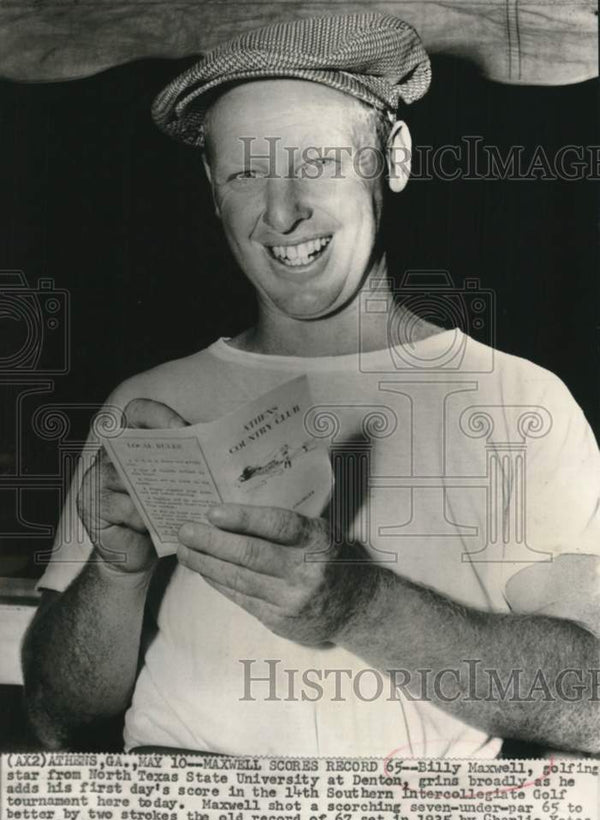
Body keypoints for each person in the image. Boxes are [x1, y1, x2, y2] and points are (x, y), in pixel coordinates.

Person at [23, 13, 600, 757]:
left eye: (320, 162)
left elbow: (590, 701)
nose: (282, 210)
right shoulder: (148, 405)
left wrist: (357, 604)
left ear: (393, 157)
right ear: (210, 186)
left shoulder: (515, 400)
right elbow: (56, 717)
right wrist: (115, 571)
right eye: (245, 171)